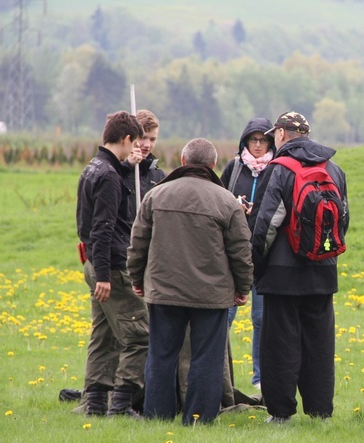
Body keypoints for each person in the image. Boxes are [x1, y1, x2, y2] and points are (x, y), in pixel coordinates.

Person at [127, 138, 253, 425]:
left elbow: (138, 243)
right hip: (212, 294)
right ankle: (198, 418)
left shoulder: (156, 195)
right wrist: (243, 288)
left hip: (163, 291)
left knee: (161, 355)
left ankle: (157, 416)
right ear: (212, 165)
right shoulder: (227, 201)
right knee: (207, 358)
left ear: (183, 162)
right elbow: (241, 251)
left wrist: (136, 278)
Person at [251, 111, 349, 424]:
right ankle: (321, 411)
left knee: (280, 343)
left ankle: (280, 413)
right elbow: (342, 219)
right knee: (319, 343)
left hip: (282, 273)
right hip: (323, 269)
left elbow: (266, 224)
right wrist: (325, 255)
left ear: (281, 134)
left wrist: (256, 266)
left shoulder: (279, 169)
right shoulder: (334, 168)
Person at [75, 111, 147, 417]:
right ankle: (120, 403)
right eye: (136, 141)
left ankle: (94, 402)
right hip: (112, 267)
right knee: (140, 335)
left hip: (93, 262)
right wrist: (105, 276)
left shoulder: (94, 168)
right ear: (127, 139)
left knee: (103, 333)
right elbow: (102, 229)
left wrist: (128, 166)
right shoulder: (108, 177)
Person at [220, 117, 276, 392]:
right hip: (233, 254)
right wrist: (234, 205)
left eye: (262, 140)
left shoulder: (276, 169)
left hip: (264, 255)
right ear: (244, 141)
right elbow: (217, 199)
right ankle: (217, 370)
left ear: (270, 142)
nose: (257, 145)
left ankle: (260, 376)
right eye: (253, 140)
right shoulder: (233, 168)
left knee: (262, 319)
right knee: (225, 315)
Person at [122, 109, 166, 223]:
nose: (147, 145)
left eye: (152, 139)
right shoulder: (114, 170)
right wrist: (127, 166)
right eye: (143, 138)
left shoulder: (160, 176)